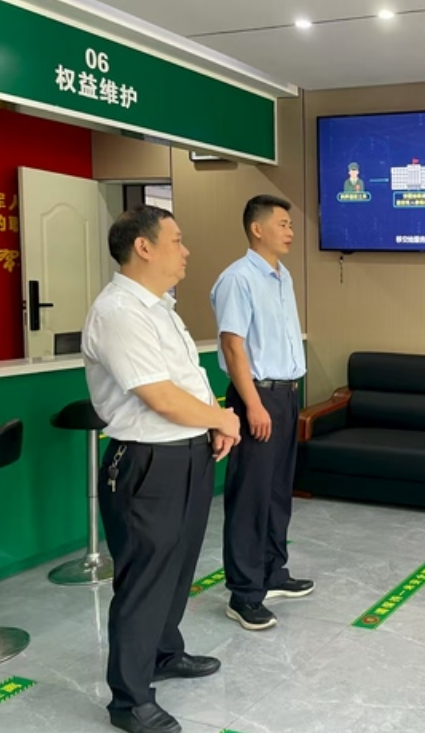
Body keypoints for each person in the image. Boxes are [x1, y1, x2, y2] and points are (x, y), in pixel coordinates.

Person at [82, 205, 241, 733]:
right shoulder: (118, 311)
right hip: (147, 461)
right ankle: (129, 700)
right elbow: (160, 397)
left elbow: (188, 380)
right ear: (143, 247)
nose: (186, 250)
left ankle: (164, 653)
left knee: (177, 567)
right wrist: (224, 418)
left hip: (188, 452)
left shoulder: (160, 308)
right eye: (176, 240)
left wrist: (214, 420)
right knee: (146, 579)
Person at [211, 194, 310, 632]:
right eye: (283, 224)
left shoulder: (282, 276)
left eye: (290, 225)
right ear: (257, 228)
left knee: (277, 491)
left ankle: (273, 572)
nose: (290, 231)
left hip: (285, 395)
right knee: (250, 496)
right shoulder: (238, 278)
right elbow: (233, 346)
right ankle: (244, 594)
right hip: (257, 396)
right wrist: (252, 404)